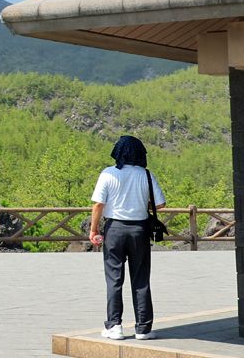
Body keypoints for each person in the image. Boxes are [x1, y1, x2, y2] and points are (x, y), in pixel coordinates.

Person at [89, 135, 165, 341]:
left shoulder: (108, 174)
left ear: (118, 152)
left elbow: (98, 204)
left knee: (114, 279)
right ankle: (143, 328)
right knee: (141, 279)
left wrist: (94, 230)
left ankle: (114, 326)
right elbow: (160, 204)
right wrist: (139, 204)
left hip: (114, 229)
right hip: (139, 230)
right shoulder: (146, 175)